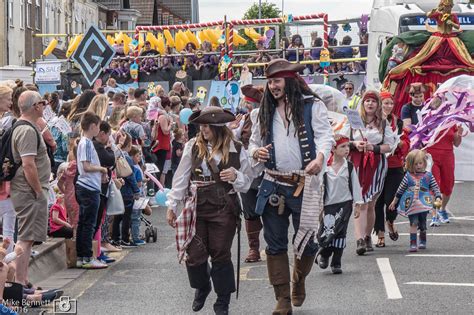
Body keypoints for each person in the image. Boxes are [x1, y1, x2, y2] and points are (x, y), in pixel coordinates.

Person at [248, 59, 334, 314]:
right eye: (270, 82)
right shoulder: (262, 112)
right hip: (273, 183)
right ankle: (282, 298)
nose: (272, 86)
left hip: (304, 184)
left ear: (290, 81)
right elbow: (252, 143)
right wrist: (256, 152)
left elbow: (324, 136)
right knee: (274, 244)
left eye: (277, 81)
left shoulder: (312, 106)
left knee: (307, 242)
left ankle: (299, 279)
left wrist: (320, 158)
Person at [166, 106, 252, 315]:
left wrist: (236, 177)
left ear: (218, 126)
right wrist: (172, 206)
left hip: (224, 206)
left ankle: (223, 301)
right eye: (201, 125)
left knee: (221, 254)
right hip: (196, 205)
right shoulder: (192, 146)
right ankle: (202, 286)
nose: (202, 129)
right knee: (194, 254)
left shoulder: (237, 148)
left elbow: (247, 182)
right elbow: (180, 178)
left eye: (206, 125)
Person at [342, 90, 396, 255]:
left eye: (373, 101)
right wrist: (354, 144)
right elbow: (340, 140)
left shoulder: (384, 123)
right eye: (367, 101)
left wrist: (374, 147)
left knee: (371, 204)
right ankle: (359, 240)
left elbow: (390, 145)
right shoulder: (353, 121)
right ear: (363, 104)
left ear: (378, 105)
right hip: (357, 164)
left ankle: (367, 236)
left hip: (376, 165)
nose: (370, 104)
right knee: (360, 202)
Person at [10, 91, 51, 286]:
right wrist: (38, 191)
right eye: (42, 102)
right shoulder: (26, 130)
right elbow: (28, 164)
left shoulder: (26, 127)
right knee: (26, 237)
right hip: (29, 190)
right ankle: (20, 283)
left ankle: (23, 281)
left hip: (28, 190)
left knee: (28, 237)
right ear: (35, 106)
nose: (45, 106)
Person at [317, 135, 362, 274]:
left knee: (341, 232)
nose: (347, 149)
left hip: (345, 204)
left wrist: (358, 203)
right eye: (343, 146)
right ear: (333, 149)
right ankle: (324, 253)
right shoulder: (325, 168)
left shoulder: (348, 167)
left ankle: (336, 262)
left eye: (348, 146)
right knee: (329, 231)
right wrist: (319, 207)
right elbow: (319, 187)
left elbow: (355, 185)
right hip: (329, 205)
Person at [373, 91, 409, 247]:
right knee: (376, 202)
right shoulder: (372, 121)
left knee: (391, 200)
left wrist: (402, 145)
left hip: (394, 166)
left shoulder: (398, 122)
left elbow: (406, 143)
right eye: (385, 103)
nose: (388, 106)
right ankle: (380, 233)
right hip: (375, 165)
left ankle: (390, 221)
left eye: (390, 103)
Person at [389, 150, 442, 251]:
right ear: (410, 164)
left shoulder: (428, 176)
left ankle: (422, 240)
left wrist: (438, 196)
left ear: (424, 163)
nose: (418, 166)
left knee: (422, 224)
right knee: (413, 223)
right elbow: (400, 189)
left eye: (420, 163)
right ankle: (413, 243)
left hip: (424, 204)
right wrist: (394, 201)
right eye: (415, 164)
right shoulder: (407, 176)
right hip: (411, 205)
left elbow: (435, 187)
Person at [75, 112, 108, 269]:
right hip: (89, 187)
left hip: (85, 186)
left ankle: (82, 256)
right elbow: (87, 166)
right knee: (88, 223)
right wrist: (102, 169)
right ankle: (87, 257)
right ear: (93, 126)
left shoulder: (83, 142)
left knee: (83, 223)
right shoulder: (87, 143)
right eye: (98, 127)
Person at [239, 84, 265, 263]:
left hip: (268, 169)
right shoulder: (243, 121)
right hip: (248, 169)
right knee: (249, 210)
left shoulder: (272, 119)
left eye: (251, 103)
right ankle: (253, 248)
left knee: (272, 210)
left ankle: (273, 243)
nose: (248, 106)